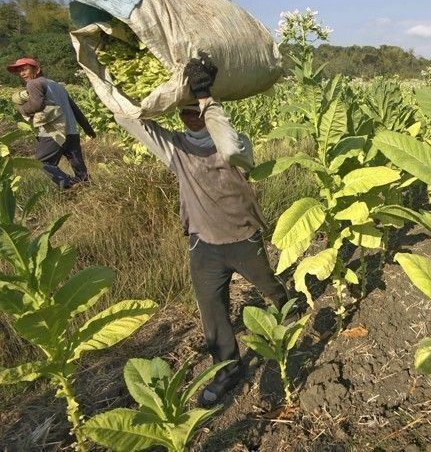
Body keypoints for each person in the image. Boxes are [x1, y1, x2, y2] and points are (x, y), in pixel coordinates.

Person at [111, 54, 288, 406]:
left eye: (197, 109)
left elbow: (231, 148)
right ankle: (228, 370)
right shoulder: (174, 147)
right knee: (212, 313)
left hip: (242, 237)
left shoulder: (237, 141)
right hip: (202, 245)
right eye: (185, 110)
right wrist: (107, 82)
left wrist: (207, 98)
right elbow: (129, 121)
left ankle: (286, 307)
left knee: (268, 286)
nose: (190, 115)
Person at [6, 58, 96, 189]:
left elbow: (37, 104)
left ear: (37, 70)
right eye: (19, 71)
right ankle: (87, 188)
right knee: (78, 166)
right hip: (71, 131)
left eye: (25, 69)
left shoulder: (34, 83)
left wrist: (21, 109)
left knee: (43, 161)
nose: (22, 73)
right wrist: (88, 129)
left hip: (53, 132)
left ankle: (70, 185)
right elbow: (75, 109)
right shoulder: (57, 85)